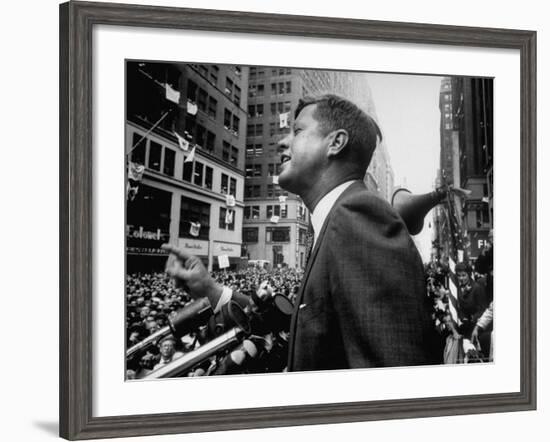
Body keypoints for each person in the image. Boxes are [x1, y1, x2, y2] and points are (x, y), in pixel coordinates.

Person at [163, 94, 438, 372]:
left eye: (297, 131)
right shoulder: (340, 221)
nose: (282, 142)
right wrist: (212, 289)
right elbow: (304, 325)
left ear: (335, 143)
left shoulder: (357, 216)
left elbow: (392, 373)